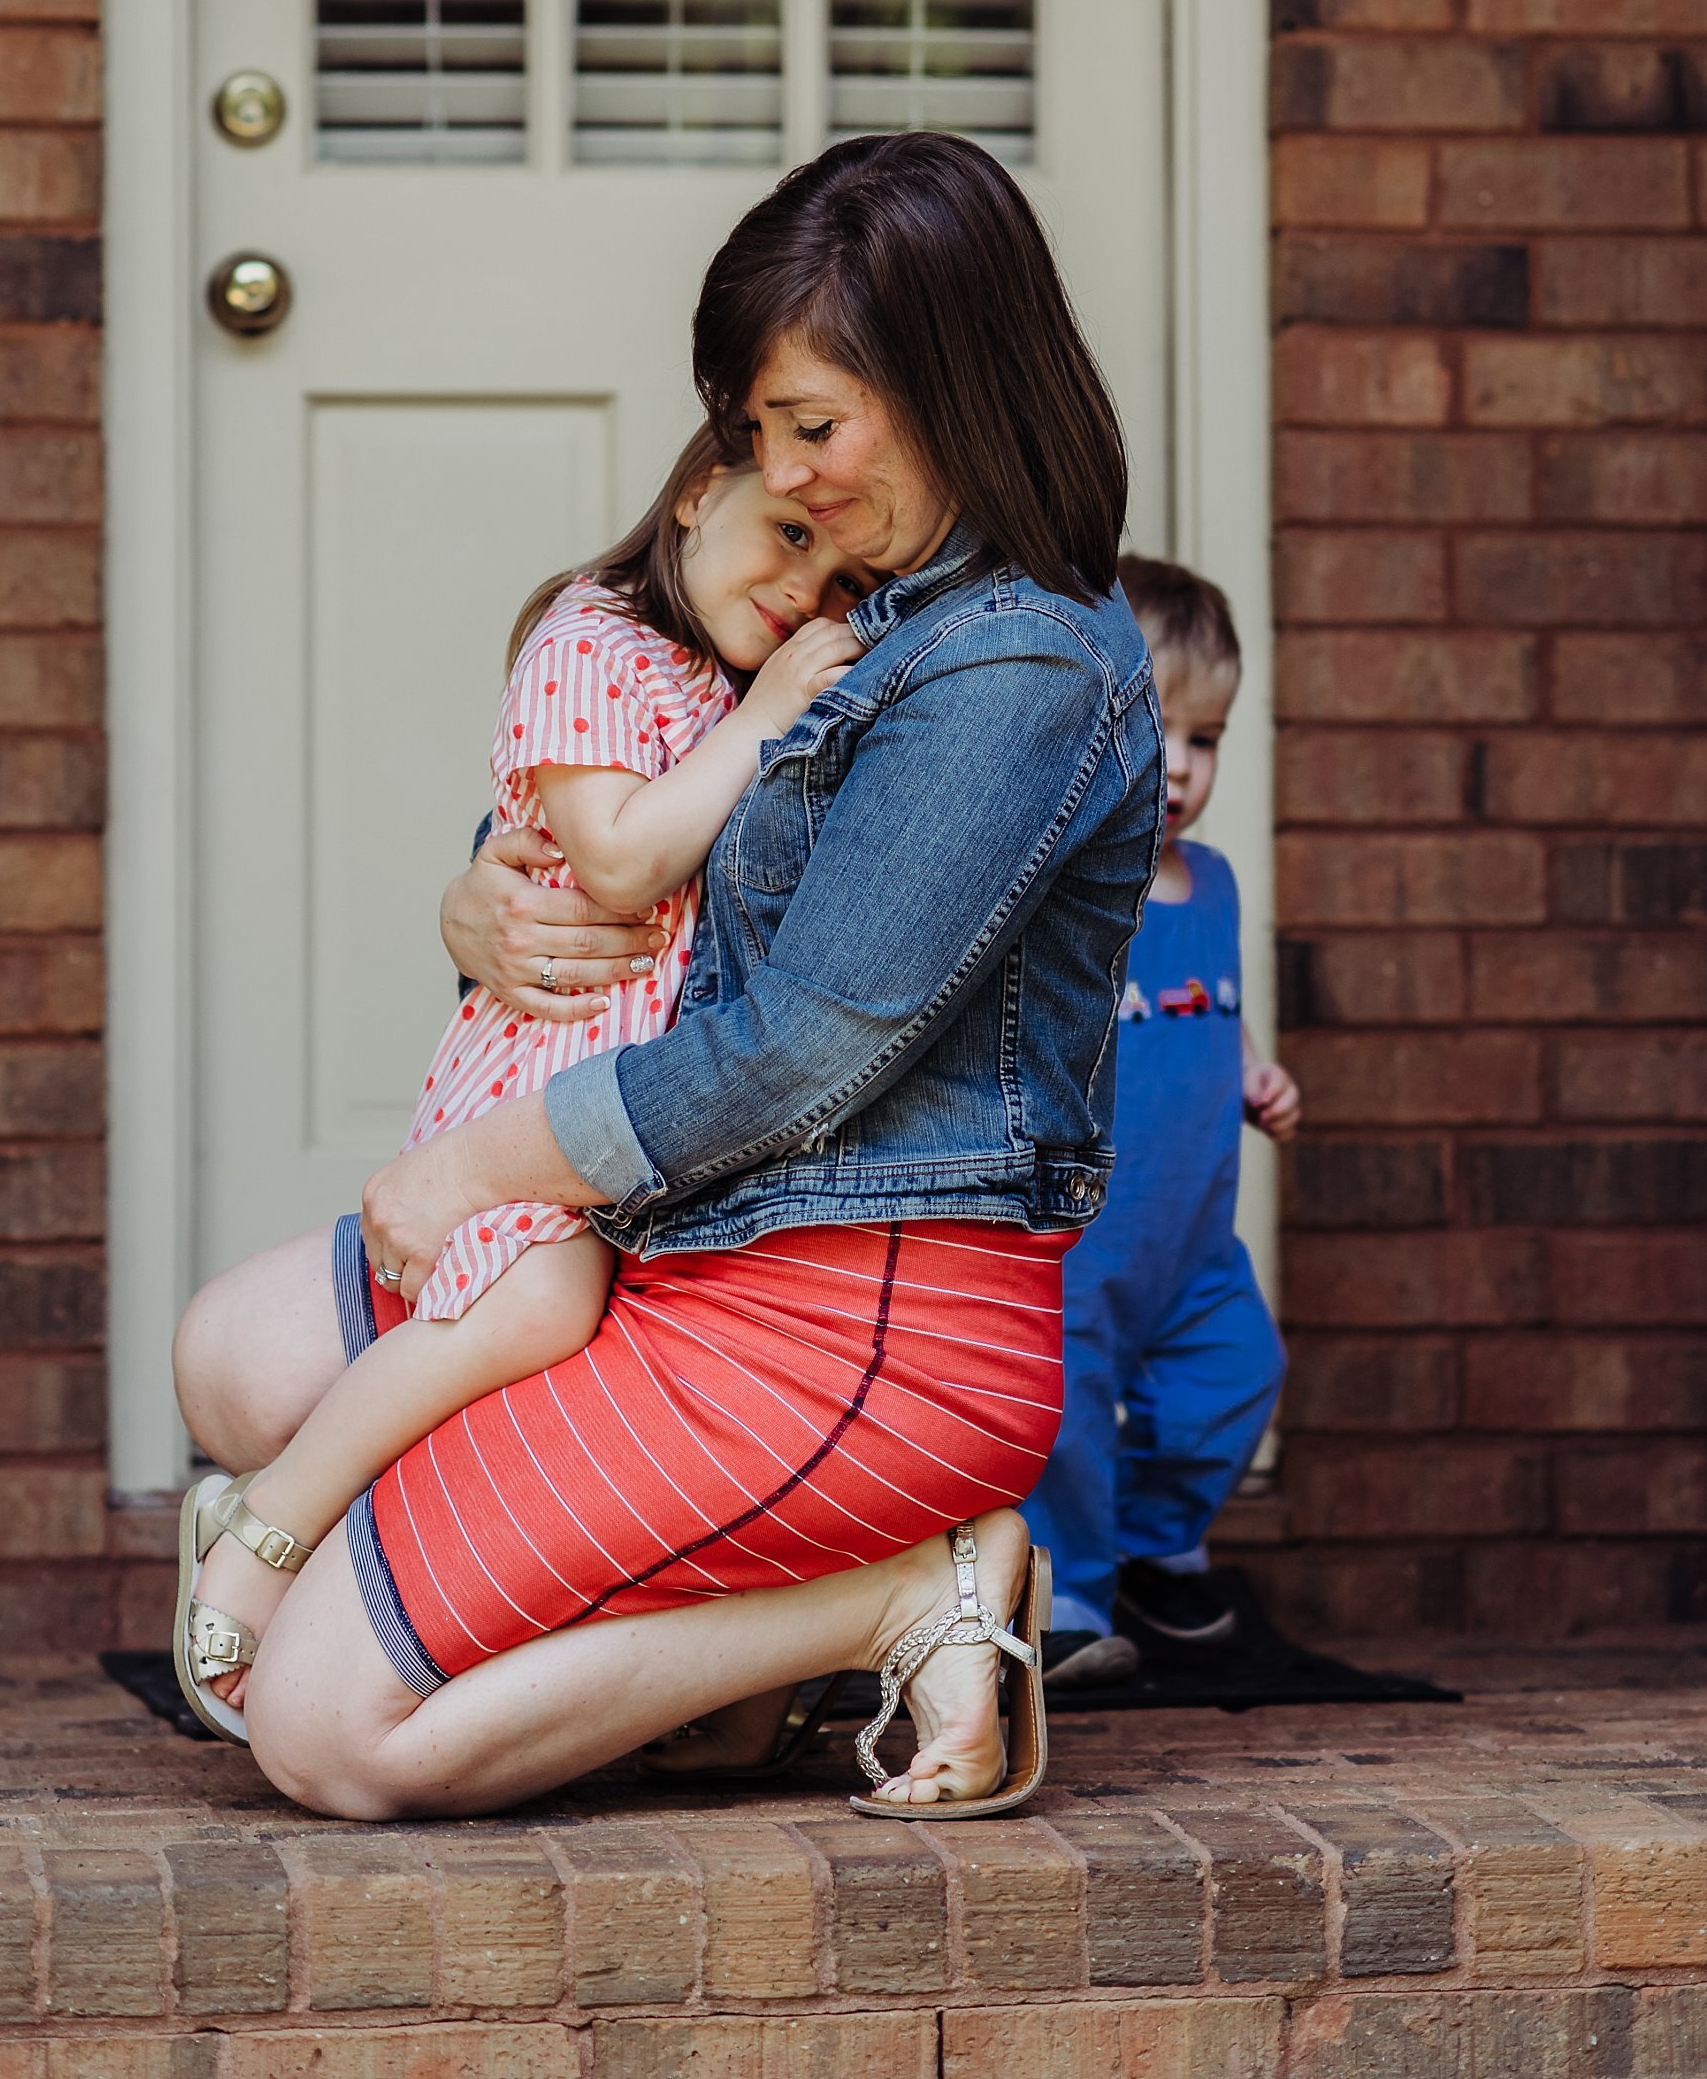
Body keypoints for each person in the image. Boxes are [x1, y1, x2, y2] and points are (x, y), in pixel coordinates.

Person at [171, 131, 1162, 1822]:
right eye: (757, 430)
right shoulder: (857, 610)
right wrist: (483, 897)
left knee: (325, 1729)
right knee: (245, 1360)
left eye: (813, 424)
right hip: (688, 1244)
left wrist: (472, 1160)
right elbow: (649, 839)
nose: (784, 469)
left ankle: (901, 1593)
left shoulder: (1014, 667)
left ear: (949, 381)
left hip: (847, 1316)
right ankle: (694, 1670)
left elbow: (797, 1044)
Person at [174, 434, 869, 1739]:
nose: (804, 592)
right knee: (536, 1303)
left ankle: (367, 1569)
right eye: (788, 536)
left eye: (841, 578)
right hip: (556, 1077)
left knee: (545, 1342)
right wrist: (775, 712)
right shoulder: (600, 636)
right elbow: (615, 864)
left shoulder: (725, 680)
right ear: (698, 493)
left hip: (653, 1123)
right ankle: (280, 1517)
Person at [1026, 554, 1298, 1687]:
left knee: (1240, 1370)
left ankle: (1153, 1548)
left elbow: (1205, 1005)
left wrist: (1250, 1072)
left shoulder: (1221, 881)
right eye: (1155, 730)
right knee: (1071, 1418)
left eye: (1208, 740)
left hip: (1195, 1238)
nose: (1181, 769)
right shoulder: (1066, 883)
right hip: (1087, 1237)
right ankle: (1072, 1594)